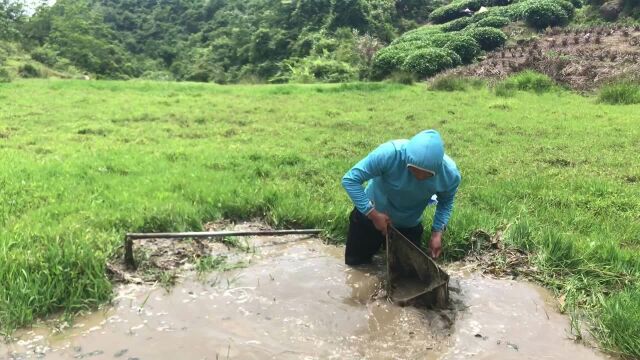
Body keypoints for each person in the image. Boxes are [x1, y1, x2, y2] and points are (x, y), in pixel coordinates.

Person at [341, 130, 461, 265]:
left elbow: (445, 202)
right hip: (371, 215)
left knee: (405, 277)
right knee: (356, 265)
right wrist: (373, 214)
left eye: (427, 175)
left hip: (407, 225)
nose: (419, 178)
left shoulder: (450, 174)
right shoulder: (389, 154)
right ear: (406, 160)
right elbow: (350, 180)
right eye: (413, 170)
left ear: (438, 169)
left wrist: (437, 233)